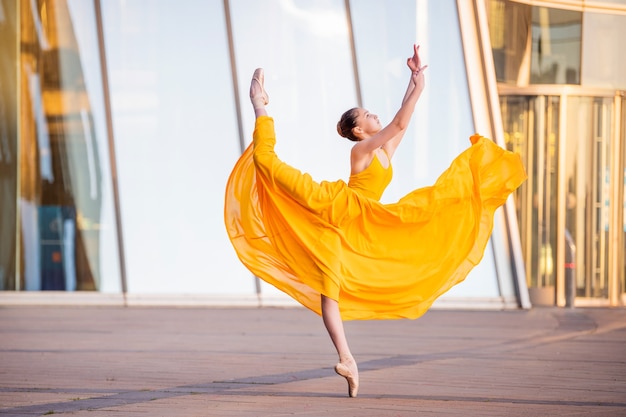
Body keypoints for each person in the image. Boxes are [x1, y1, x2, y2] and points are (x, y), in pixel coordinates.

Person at [224, 44, 526, 398]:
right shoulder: (361, 151)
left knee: (341, 281)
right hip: (336, 208)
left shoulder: (382, 152)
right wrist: (412, 91)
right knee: (268, 165)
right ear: (358, 131)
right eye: (367, 115)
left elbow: (403, 123)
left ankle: (348, 362)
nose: (373, 115)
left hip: (360, 223)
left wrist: (416, 82)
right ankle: (259, 103)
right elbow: (399, 121)